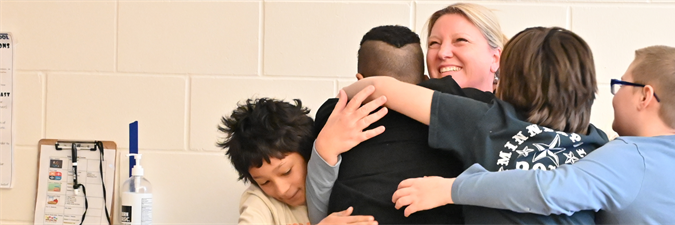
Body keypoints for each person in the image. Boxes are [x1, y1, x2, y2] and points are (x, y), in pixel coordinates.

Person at [392, 45, 675, 224]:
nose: (613, 95)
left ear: (645, 96)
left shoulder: (630, 157)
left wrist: (451, 188)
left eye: (620, 85)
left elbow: (546, 190)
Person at [341, 27, 610, 224]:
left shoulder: (487, 118)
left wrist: (346, 92)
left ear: (508, 78)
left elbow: (380, 86)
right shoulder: (596, 141)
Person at [306, 25, 465, 225]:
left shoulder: (335, 112)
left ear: (359, 81)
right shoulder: (458, 102)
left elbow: (318, 208)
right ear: (425, 82)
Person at [219, 98, 381, 225]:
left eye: (286, 171)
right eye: (265, 182)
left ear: (309, 154)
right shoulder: (261, 202)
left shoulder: (342, 175)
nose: (281, 190)